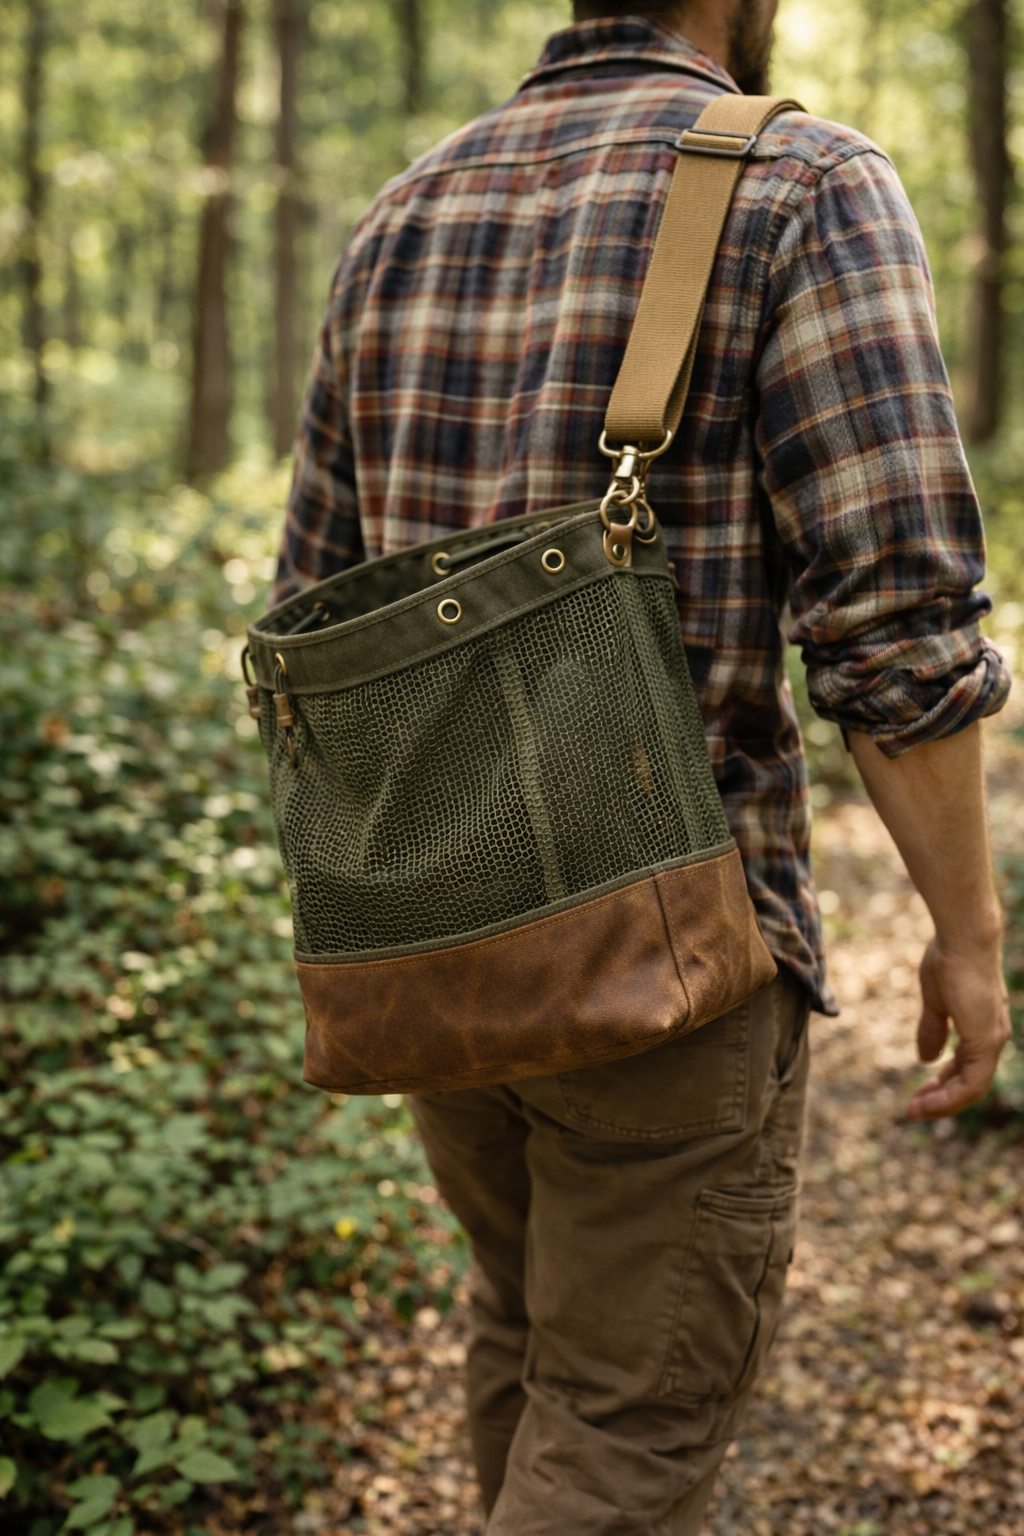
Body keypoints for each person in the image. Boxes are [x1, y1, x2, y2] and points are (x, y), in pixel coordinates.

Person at [273, 2, 1012, 1529]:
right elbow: (896, 625)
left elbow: (316, 611)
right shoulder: (801, 186)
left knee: (533, 1334)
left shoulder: (402, 211)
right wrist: (969, 936)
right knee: (624, 1418)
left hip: (436, 940)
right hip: (668, 954)